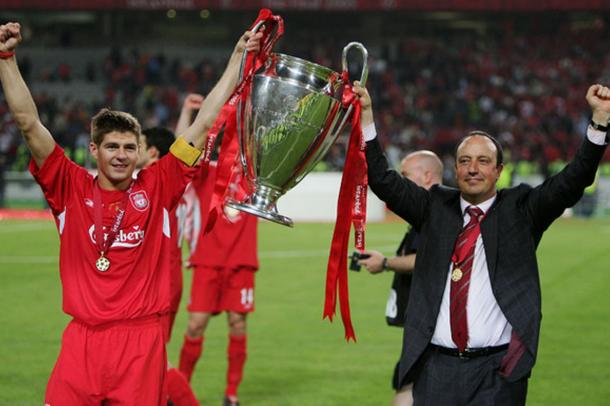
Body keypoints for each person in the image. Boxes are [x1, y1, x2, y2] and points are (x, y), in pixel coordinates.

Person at [0, 21, 262, 404]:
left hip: (140, 344)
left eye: (128, 147)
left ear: (139, 152)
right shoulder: (68, 187)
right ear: (94, 150)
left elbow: (205, 122)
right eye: (111, 147)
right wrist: (7, 59)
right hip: (82, 342)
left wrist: (238, 58)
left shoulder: (159, 185)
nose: (121, 155)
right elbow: (28, 123)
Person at [355, 80, 610, 405]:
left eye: (483, 161)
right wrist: (366, 117)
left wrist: (600, 121)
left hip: (497, 373)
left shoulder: (523, 210)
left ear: (498, 170)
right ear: (455, 168)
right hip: (435, 370)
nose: (472, 169)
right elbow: (382, 179)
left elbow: (574, 179)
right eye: (464, 161)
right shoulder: (433, 207)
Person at [359, 150, 443, 406]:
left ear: (427, 176)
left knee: (408, 384)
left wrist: (385, 263)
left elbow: (426, 259)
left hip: (431, 322)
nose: (402, 183)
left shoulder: (433, 211)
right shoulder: (440, 207)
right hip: (431, 320)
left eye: (406, 175)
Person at [178, 150, 258, 406]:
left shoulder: (257, 176)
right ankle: (180, 391)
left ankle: (231, 394)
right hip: (208, 261)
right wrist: (190, 114)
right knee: (195, 325)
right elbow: (183, 154)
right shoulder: (207, 172)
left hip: (241, 261)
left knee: (237, 323)